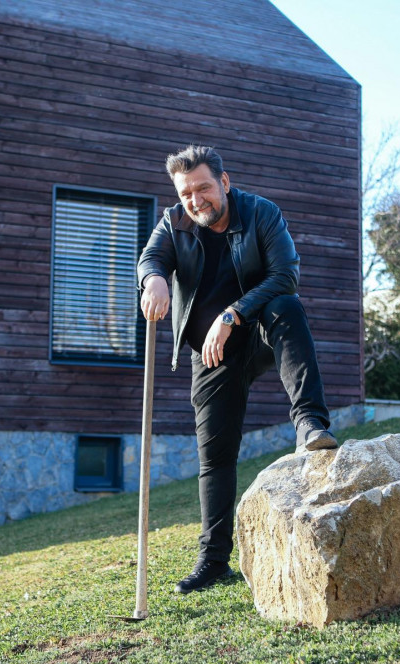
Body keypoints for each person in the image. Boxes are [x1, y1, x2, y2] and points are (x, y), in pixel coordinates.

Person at [137, 145, 338, 595]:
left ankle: (310, 423)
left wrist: (232, 314)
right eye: (186, 193)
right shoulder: (174, 222)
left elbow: (286, 275)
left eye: (203, 188)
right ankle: (213, 562)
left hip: (259, 331)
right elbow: (151, 259)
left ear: (224, 182)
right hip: (211, 354)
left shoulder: (261, 213)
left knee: (287, 307)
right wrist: (153, 280)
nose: (196, 200)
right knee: (215, 455)